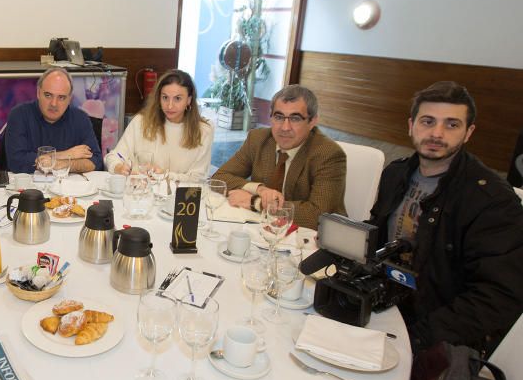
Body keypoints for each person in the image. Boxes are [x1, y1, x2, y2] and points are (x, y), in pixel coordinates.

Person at [367, 81, 523, 357]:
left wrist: (416, 339)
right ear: (411, 125)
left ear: (468, 133)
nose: (437, 133)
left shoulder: (492, 200)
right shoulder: (396, 173)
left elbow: (498, 297)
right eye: (428, 121)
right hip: (385, 304)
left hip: (433, 333)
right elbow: (377, 234)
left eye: (452, 125)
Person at [212, 84, 346, 229]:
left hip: (311, 239)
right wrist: (259, 190)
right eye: (279, 117)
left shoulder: (329, 154)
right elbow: (219, 178)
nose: (285, 127)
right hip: (262, 230)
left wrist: (257, 202)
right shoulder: (258, 139)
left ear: (312, 121)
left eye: (295, 118)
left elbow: (317, 216)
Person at [104, 69, 212, 182]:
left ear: (189, 100)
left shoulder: (203, 131)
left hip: (180, 197)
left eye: (177, 99)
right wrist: (119, 167)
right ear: (158, 98)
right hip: (142, 194)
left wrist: (165, 175)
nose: (170, 106)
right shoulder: (141, 122)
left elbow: (199, 179)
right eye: (165, 97)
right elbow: (113, 157)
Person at [4, 66, 103, 174]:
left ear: (70, 99)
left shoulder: (81, 118)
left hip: (68, 188)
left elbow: (96, 161)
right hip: (29, 188)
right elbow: (16, 162)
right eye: (48, 95)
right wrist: (66, 155)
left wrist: (62, 164)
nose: (54, 104)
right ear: (38, 93)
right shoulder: (19, 115)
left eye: (61, 97)